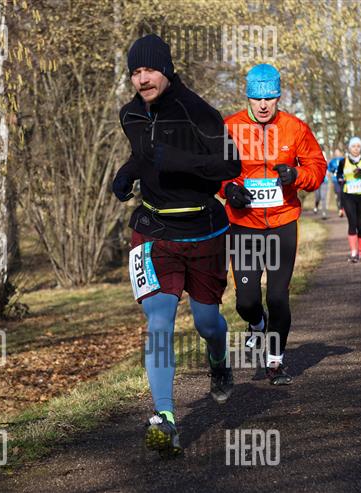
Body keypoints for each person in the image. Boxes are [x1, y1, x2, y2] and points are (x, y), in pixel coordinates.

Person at [112, 34, 242, 456]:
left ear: (166, 69)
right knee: (159, 320)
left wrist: (179, 161)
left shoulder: (198, 112)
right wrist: (126, 172)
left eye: (149, 69)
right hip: (153, 231)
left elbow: (230, 164)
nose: (142, 79)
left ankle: (219, 360)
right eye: (135, 72)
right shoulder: (130, 114)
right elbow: (144, 154)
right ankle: (165, 418)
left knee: (207, 323)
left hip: (203, 231)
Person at [221, 64, 326, 385]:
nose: (263, 105)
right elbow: (214, 171)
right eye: (257, 98)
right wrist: (229, 189)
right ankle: (256, 325)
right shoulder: (230, 128)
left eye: (270, 98)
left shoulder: (295, 128)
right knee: (246, 301)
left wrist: (296, 175)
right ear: (248, 97)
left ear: (279, 97)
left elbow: (317, 167)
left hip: (282, 222)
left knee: (278, 296)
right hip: (244, 224)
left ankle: (275, 361)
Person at [335, 136, 361, 263]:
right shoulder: (343, 162)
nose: (356, 149)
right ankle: (353, 253)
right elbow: (338, 174)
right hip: (348, 196)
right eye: (353, 146)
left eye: (358, 146)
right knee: (352, 223)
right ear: (349, 148)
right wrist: (340, 179)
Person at [327, 148, 345, 217]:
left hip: (343, 179)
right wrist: (329, 172)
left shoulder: (344, 160)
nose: (337, 153)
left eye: (338, 152)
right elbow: (329, 169)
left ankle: (342, 208)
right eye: (335, 152)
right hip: (335, 179)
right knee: (338, 192)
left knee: (343, 193)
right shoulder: (332, 161)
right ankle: (339, 206)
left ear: (340, 153)